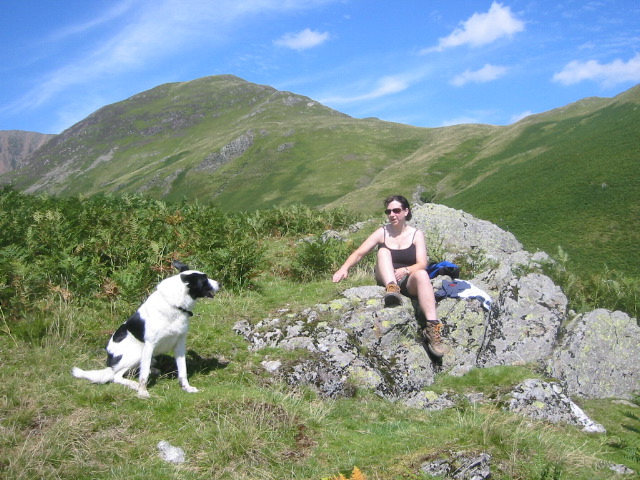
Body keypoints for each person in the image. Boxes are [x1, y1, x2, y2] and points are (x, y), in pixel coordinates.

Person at [332, 195, 445, 357]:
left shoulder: (416, 234)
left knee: (421, 274)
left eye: (396, 210)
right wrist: (344, 268)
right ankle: (391, 288)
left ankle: (432, 328)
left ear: (406, 211)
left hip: (407, 280)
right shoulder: (382, 232)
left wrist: (406, 270)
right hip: (385, 276)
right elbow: (359, 253)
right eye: (389, 211)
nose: (392, 214)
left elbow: (421, 263)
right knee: (383, 251)